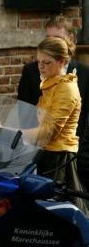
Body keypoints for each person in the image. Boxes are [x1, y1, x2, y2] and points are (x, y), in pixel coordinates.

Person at [17, 14, 89, 191]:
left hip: (64, 153)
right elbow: (25, 112)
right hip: (40, 150)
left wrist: (18, 134)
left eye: (56, 39)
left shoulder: (71, 82)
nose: (41, 66)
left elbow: (56, 128)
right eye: (48, 39)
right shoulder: (41, 76)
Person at [26, 37, 88, 213]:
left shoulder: (66, 88)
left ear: (61, 61)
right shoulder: (50, 83)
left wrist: (16, 134)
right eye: (39, 62)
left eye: (47, 62)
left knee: (59, 211)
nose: (41, 67)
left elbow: (49, 131)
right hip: (46, 152)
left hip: (60, 157)